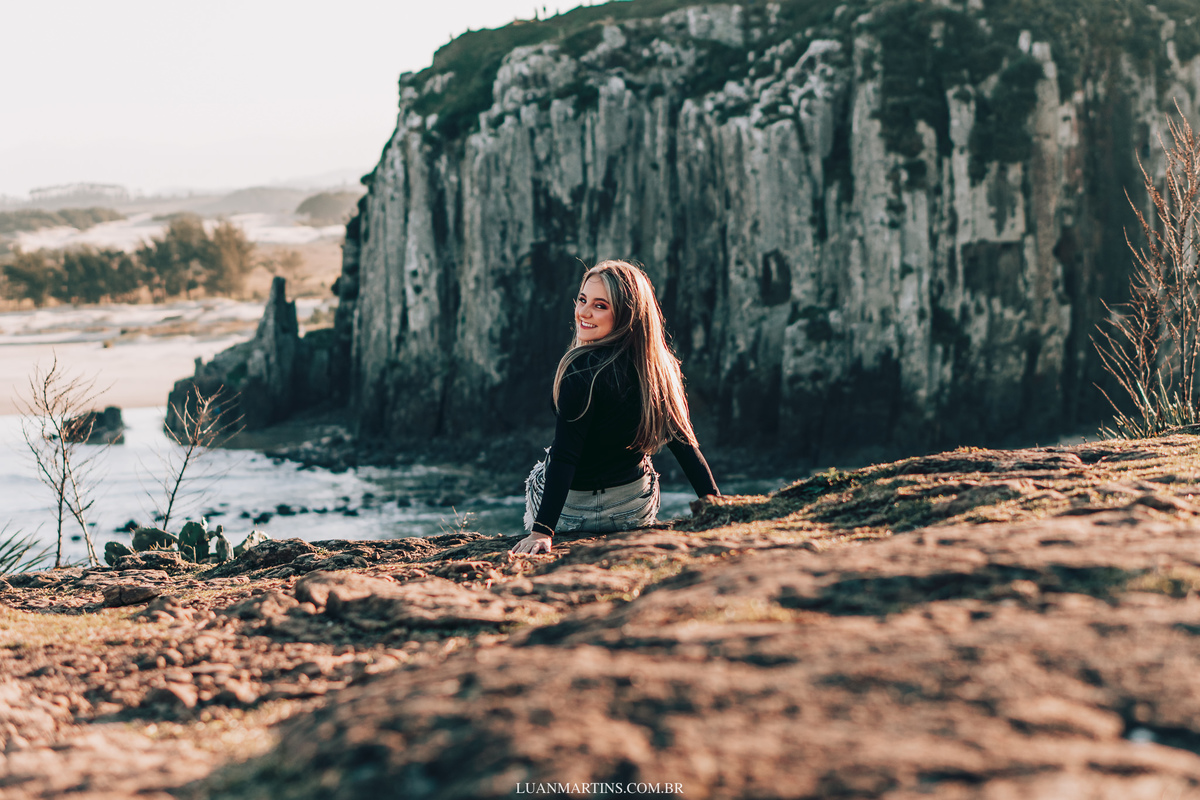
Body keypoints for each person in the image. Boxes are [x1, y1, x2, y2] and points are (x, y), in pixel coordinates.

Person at [511, 260, 720, 555]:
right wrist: (715, 505)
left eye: (600, 306)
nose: (583, 312)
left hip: (572, 513)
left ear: (626, 315)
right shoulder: (658, 371)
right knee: (645, 464)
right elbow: (683, 444)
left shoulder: (578, 369)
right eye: (582, 300)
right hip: (629, 510)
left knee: (545, 465)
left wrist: (542, 531)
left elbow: (566, 455)